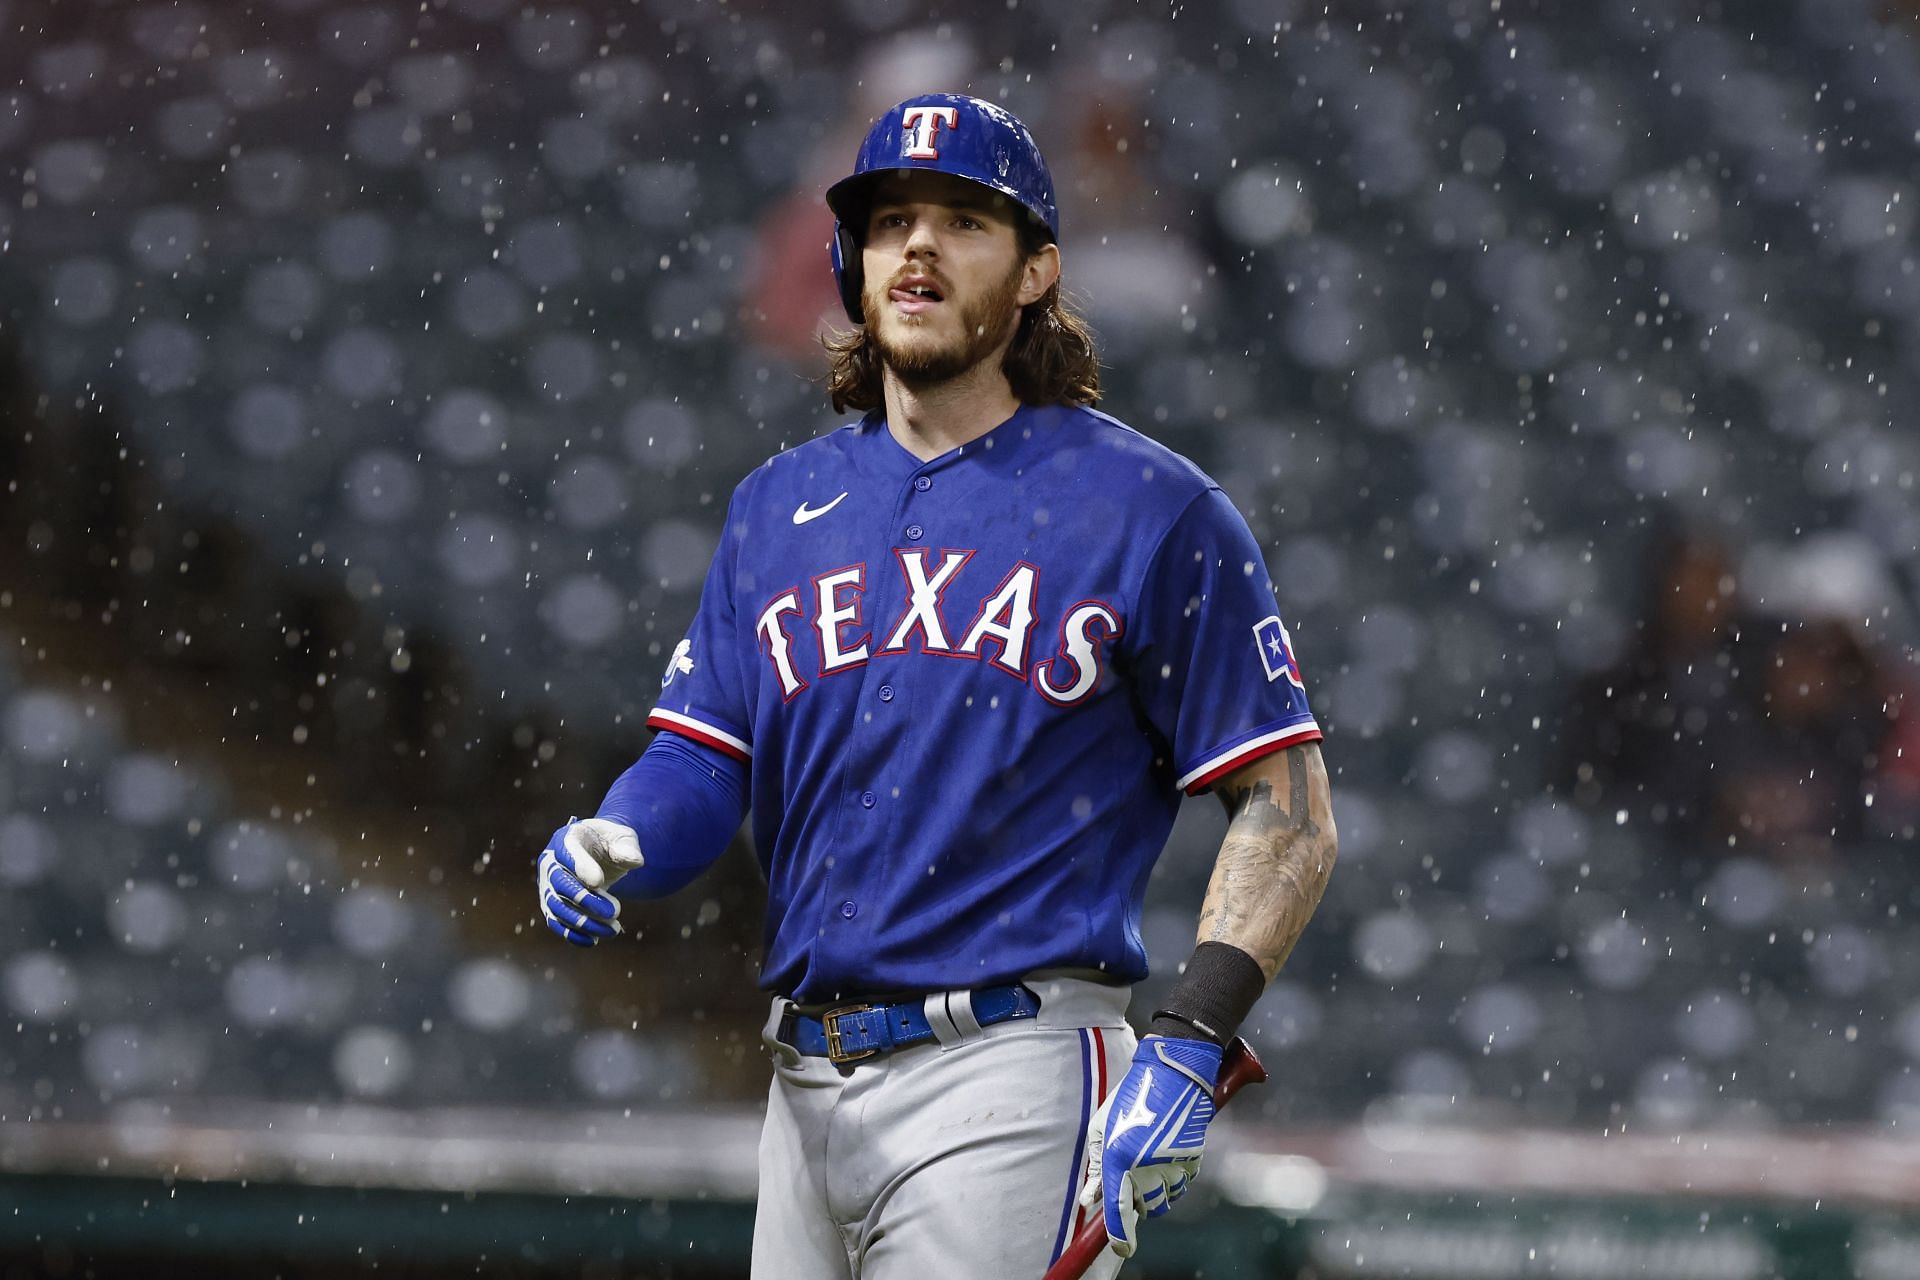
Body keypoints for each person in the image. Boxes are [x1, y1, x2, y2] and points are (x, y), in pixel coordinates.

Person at [535, 93, 1338, 1278]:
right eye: (890, 218)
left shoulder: (1153, 508)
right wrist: (621, 830)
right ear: (851, 264)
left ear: (1035, 273)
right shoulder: (776, 507)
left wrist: (1193, 1033)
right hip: (801, 1088)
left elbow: (1290, 807)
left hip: (1008, 1071)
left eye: (963, 220)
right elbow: (705, 755)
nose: (917, 244)